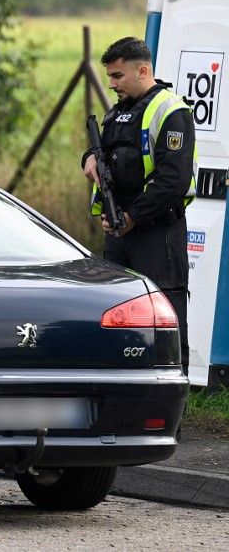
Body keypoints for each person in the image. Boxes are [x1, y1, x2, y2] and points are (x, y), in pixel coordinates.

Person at [82, 37, 197, 374]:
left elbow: (172, 182)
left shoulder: (170, 110)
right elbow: (107, 153)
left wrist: (132, 217)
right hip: (119, 233)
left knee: (164, 323)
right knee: (116, 317)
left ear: (142, 70)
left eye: (118, 76)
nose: (111, 84)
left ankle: (171, 418)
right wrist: (87, 157)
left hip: (156, 234)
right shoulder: (119, 111)